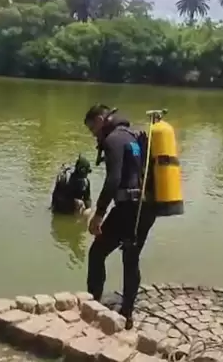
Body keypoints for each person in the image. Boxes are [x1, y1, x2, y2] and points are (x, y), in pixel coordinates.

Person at [83, 104, 157, 330]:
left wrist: (98, 214)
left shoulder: (113, 139)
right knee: (130, 258)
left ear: (100, 119)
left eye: (92, 128)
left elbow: (113, 180)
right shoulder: (132, 136)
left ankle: (93, 303)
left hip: (127, 208)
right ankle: (127, 314)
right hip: (147, 208)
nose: (93, 134)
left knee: (97, 252)